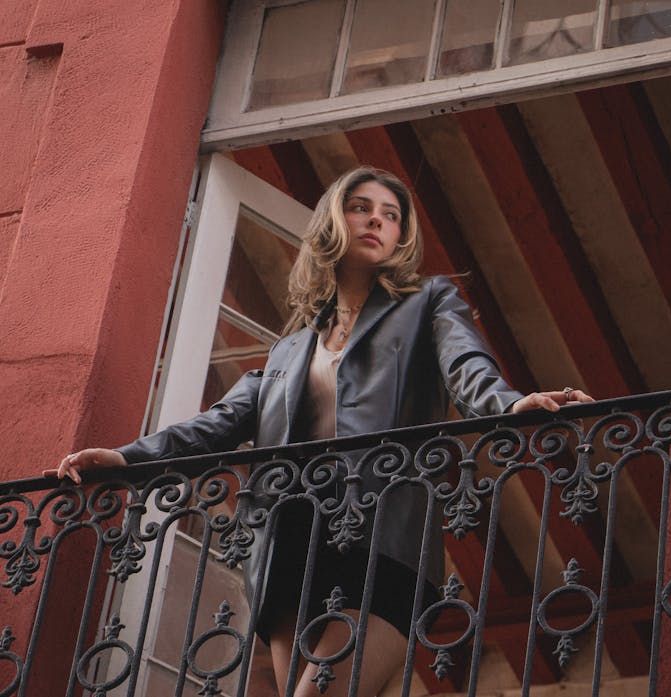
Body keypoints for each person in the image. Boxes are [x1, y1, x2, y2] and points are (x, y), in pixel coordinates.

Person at [45, 166, 593, 697]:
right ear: (334, 221)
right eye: (360, 208)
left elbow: (467, 367)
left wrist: (511, 403)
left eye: (391, 215)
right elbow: (215, 425)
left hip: (384, 538)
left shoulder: (428, 303)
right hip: (292, 544)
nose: (376, 221)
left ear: (402, 235)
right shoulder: (289, 350)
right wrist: (125, 459)